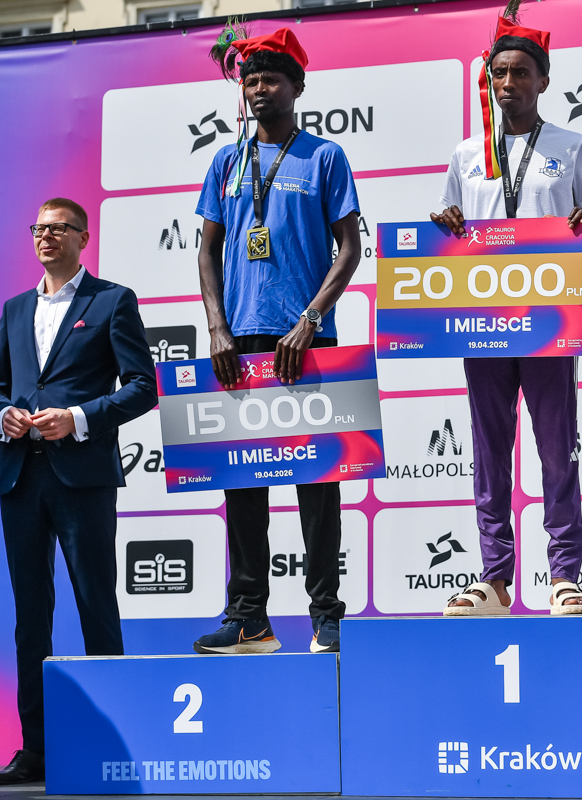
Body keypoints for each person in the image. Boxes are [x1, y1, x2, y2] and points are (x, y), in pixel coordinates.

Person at [431, 3, 582, 616]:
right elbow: (450, 231)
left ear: (543, 80)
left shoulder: (574, 146)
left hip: (550, 319)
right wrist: (447, 226)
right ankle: (495, 577)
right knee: (489, 450)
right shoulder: (466, 154)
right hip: (481, 320)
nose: (507, 82)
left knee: (556, 448)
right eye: (498, 73)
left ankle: (565, 576)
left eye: (520, 72)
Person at [195, 25, 361, 654]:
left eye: (271, 79)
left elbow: (350, 249)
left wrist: (310, 319)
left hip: (309, 340)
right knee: (242, 484)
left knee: (318, 484)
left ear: (298, 87)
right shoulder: (225, 162)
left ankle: (326, 616)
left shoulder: (325, 156)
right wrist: (217, 327)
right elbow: (207, 251)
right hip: (239, 341)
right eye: (250, 81)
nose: (259, 89)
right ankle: (249, 618)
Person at [0, 199, 157, 784]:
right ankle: (36, 749)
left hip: (83, 479)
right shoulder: (14, 308)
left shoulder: (112, 301)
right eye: (39, 228)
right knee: (30, 618)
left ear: (84, 237)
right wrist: (2, 413)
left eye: (59, 228)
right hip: (20, 478)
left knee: (95, 607)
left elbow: (142, 387)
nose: (46, 236)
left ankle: (113, 747)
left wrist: (78, 418)